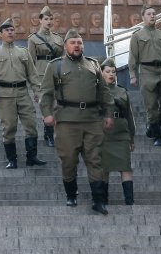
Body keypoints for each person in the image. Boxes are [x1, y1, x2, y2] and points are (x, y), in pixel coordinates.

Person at [39, 29, 114, 214]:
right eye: (73, 42)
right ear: (65, 46)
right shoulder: (56, 66)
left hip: (91, 120)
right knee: (68, 160)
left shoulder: (94, 65)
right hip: (67, 121)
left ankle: (98, 200)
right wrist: (47, 113)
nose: (77, 46)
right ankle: (71, 195)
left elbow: (104, 92)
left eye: (79, 42)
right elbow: (46, 93)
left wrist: (109, 113)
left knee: (95, 160)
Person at [0, 18, 44, 168]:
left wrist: (38, 91)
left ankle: (32, 157)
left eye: (12, 30)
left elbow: (32, 74)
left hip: (23, 93)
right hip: (5, 95)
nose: (10, 32)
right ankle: (12, 159)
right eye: (6, 30)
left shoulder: (23, 52)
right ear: (1, 34)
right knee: (9, 127)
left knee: (31, 124)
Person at [129, 5, 161, 145]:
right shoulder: (137, 36)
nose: (152, 16)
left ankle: (153, 126)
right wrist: (132, 74)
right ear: (143, 17)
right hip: (147, 72)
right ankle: (157, 136)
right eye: (149, 14)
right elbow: (133, 56)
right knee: (151, 106)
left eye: (154, 13)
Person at [99, 61, 137, 205]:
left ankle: (130, 201)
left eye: (113, 72)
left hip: (121, 133)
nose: (111, 74)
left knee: (125, 167)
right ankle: (103, 200)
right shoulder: (96, 91)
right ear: (101, 73)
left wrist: (132, 138)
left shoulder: (122, 91)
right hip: (103, 133)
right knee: (104, 169)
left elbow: (129, 115)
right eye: (108, 71)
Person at [27, 6, 64, 147]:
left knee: (55, 105)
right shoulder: (33, 39)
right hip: (41, 75)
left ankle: (52, 132)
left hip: (56, 74)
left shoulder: (58, 39)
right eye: (46, 19)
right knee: (46, 104)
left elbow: (62, 59)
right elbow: (30, 63)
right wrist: (34, 84)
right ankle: (49, 135)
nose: (49, 21)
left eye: (51, 19)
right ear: (40, 21)